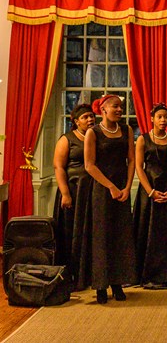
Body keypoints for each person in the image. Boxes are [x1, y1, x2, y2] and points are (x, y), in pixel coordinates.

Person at [84, 94, 137, 304]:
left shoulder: (127, 130)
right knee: (102, 236)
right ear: (103, 110)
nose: (119, 110)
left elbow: (132, 160)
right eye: (115, 106)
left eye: (120, 107)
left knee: (121, 235)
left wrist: (126, 187)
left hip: (122, 189)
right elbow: (89, 165)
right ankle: (100, 285)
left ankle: (118, 283)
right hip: (102, 189)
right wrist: (112, 187)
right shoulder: (93, 132)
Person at [133, 103, 167, 289]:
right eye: (160, 117)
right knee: (148, 230)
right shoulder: (143, 139)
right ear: (152, 118)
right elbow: (139, 167)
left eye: (166, 117)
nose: (163, 120)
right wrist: (151, 191)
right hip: (149, 189)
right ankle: (147, 273)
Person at [52, 104, 95, 291]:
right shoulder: (66, 139)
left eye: (92, 116)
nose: (90, 120)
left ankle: (89, 276)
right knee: (71, 233)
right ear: (76, 121)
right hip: (72, 191)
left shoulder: (96, 137)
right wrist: (65, 194)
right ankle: (71, 277)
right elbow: (59, 167)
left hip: (92, 193)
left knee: (90, 234)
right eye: (85, 117)